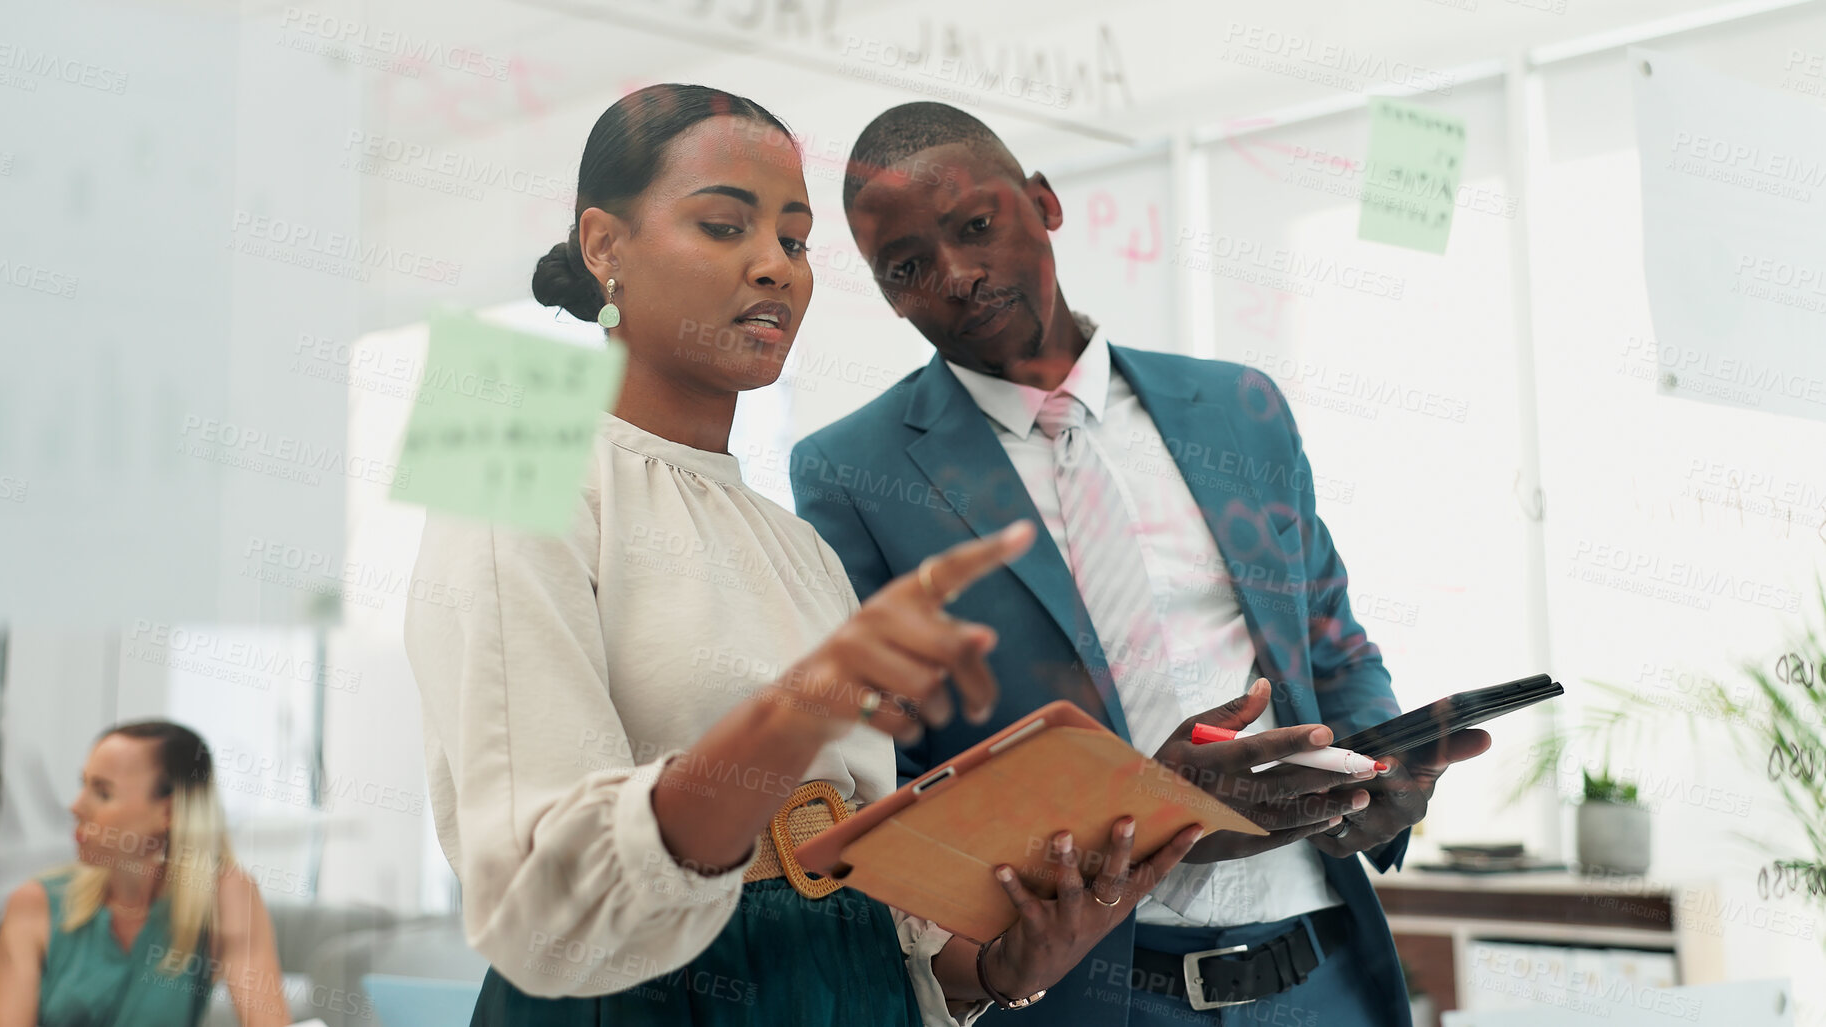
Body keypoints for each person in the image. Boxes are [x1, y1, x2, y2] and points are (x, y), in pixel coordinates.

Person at [401, 83, 1337, 1026]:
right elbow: (552, 894)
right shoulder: (508, 468)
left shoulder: (796, 544)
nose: (773, 265)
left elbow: (877, 905)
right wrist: (799, 709)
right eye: (725, 226)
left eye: (795, 241)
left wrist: (1003, 960)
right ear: (606, 246)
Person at [790, 101, 1494, 1026]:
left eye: (975, 226)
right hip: (1089, 990)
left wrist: (1382, 772)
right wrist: (1153, 818)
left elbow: (1327, 641)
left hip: (1320, 972)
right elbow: (899, 777)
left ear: (1042, 203)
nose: (957, 275)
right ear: (888, 297)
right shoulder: (855, 470)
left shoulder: (1238, 406)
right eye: (908, 267)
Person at [0, 721, 289, 1027]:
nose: (76, 807)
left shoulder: (225, 896)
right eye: (83, 785)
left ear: (168, 812)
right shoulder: (35, 904)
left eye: (102, 793)